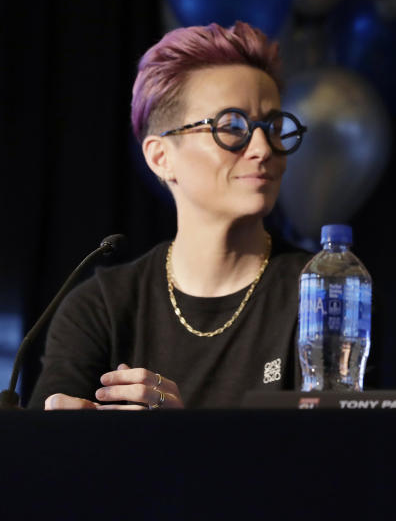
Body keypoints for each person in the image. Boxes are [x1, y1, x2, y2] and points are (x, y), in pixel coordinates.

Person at [29, 21, 311, 409]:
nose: (263, 148)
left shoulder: (323, 293)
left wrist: (179, 440)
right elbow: (46, 460)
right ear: (161, 157)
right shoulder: (100, 307)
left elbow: (334, 460)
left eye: (274, 126)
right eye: (232, 126)